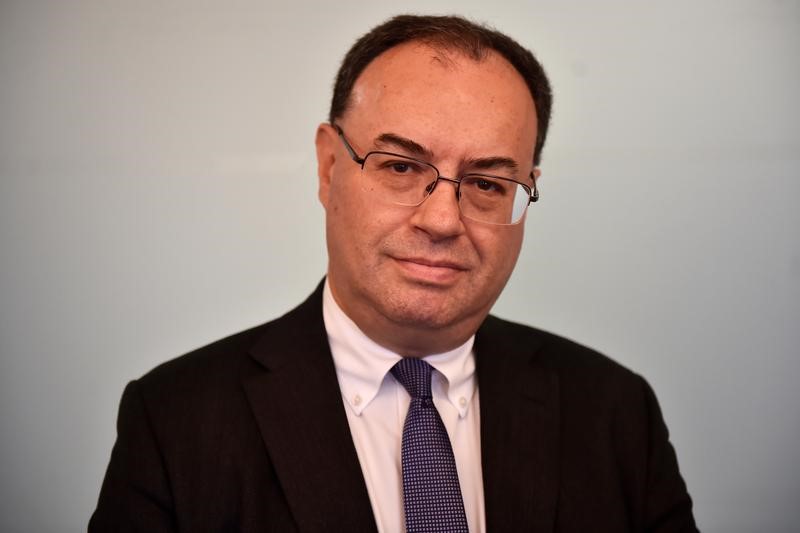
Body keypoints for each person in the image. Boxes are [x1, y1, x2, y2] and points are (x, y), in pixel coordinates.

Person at [89, 14, 697, 532]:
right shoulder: (177, 419)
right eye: (402, 167)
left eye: (487, 183)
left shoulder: (615, 412)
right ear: (329, 169)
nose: (442, 220)